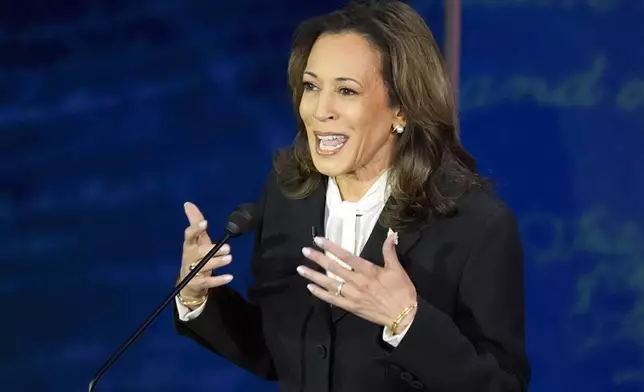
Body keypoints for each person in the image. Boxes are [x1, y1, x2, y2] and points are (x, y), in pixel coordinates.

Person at [173, 1, 531, 391]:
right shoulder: (288, 196)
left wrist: (406, 321)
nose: (320, 110)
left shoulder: (475, 224)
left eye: (346, 90)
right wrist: (198, 297)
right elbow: (279, 352)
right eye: (311, 87)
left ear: (402, 109)